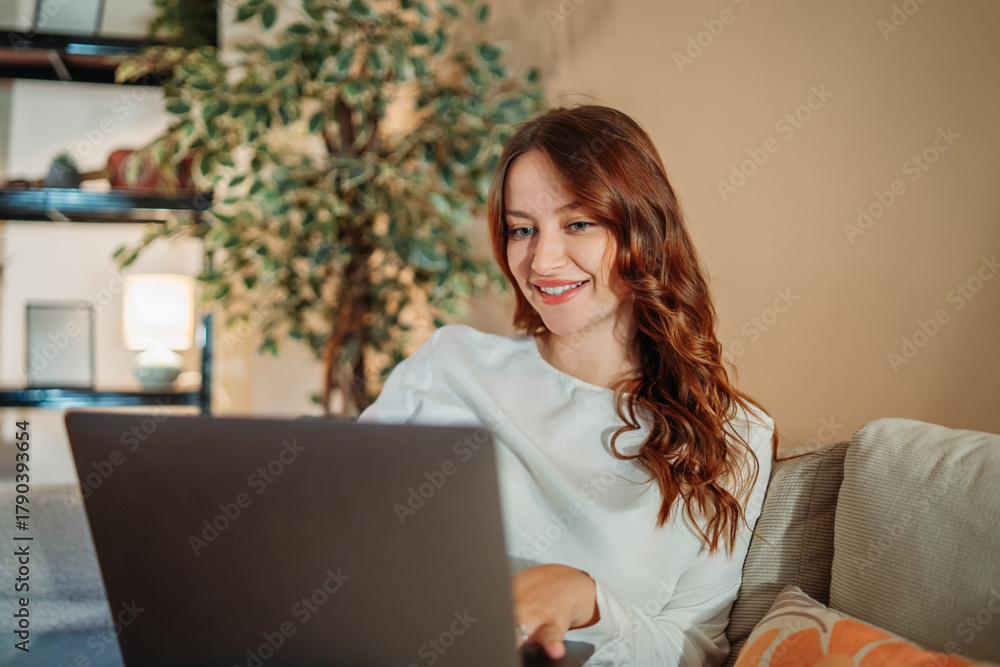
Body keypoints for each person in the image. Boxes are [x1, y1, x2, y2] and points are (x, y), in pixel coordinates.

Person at [358, 105, 777, 666]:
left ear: (643, 231)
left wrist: (589, 600)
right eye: (522, 229)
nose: (543, 260)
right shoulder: (448, 366)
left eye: (578, 223)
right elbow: (342, 543)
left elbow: (693, 650)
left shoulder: (732, 437)